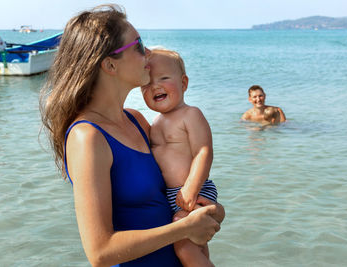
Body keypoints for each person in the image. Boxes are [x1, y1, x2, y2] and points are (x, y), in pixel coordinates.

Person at [40, 5, 223, 267]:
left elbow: (172, 189)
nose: (148, 53)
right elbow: (99, 253)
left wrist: (212, 214)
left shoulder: (136, 120)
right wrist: (184, 230)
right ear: (110, 65)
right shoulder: (87, 137)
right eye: (139, 45)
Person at [141, 48, 225, 267]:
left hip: (195, 190)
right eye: (146, 83)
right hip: (171, 195)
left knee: (183, 244)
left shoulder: (190, 114)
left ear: (184, 83)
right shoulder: (155, 123)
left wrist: (191, 188)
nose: (155, 86)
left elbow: (203, 151)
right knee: (197, 247)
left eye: (164, 78)